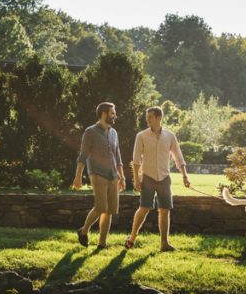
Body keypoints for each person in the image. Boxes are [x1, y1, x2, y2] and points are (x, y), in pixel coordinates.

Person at [125, 106, 190, 252]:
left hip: (164, 178)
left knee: (165, 210)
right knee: (144, 208)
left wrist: (185, 175)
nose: (147, 120)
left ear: (159, 118)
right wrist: (136, 179)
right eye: (146, 117)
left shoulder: (170, 136)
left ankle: (164, 243)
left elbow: (178, 156)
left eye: (150, 117)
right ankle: (132, 237)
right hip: (147, 177)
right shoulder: (141, 136)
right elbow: (136, 160)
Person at [72, 101, 125, 249]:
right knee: (101, 207)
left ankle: (102, 243)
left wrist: (122, 176)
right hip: (97, 174)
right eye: (112, 113)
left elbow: (118, 156)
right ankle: (84, 231)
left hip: (113, 175)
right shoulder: (90, 132)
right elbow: (83, 155)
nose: (115, 115)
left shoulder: (114, 133)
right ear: (104, 114)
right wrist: (78, 176)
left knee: (110, 210)